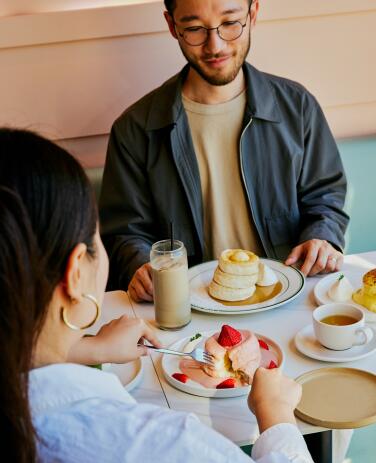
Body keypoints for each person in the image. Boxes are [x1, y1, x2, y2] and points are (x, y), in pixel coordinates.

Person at [0, 128, 319, 463]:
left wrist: (86, 348)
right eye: (97, 237)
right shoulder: (159, 447)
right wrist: (277, 415)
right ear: (76, 271)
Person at [99, 0, 349, 302]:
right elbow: (125, 232)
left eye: (230, 23)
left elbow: (325, 198)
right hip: (188, 308)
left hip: (287, 295)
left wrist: (321, 237)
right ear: (171, 25)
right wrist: (139, 264)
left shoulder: (297, 107)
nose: (215, 46)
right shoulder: (135, 129)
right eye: (194, 29)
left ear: (253, 13)